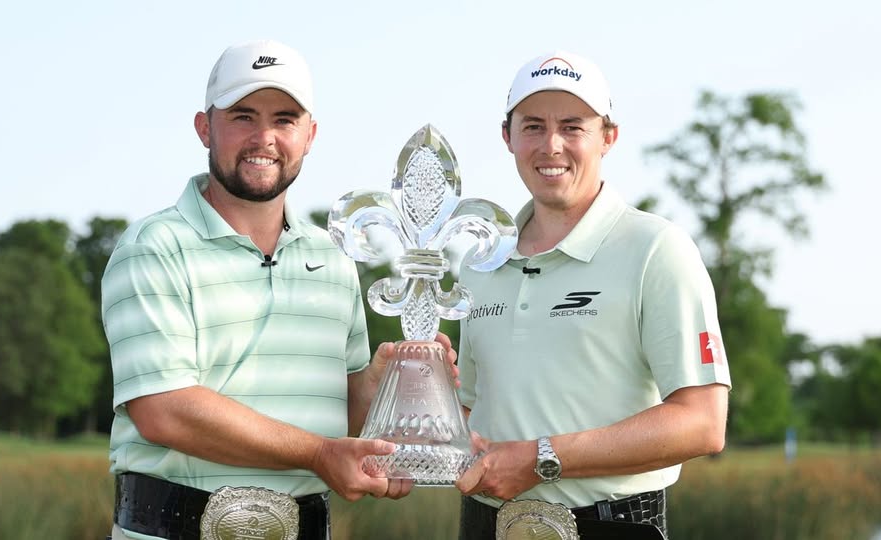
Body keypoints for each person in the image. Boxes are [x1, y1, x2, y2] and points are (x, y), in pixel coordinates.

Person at [101, 39, 454, 540]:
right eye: (243, 117)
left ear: (310, 135)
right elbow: (164, 411)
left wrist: (382, 389)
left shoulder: (333, 258)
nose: (264, 137)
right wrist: (318, 454)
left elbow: (339, 417)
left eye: (284, 120)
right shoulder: (154, 247)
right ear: (205, 128)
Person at [454, 51, 732, 539]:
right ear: (508, 137)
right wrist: (421, 388)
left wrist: (541, 460)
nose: (552, 145)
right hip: (483, 525)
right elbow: (474, 412)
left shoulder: (657, 249)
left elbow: (702, 423)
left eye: (573, 126)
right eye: (533, 126)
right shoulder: (480, 263)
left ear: (608, 137)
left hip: (612, 526)